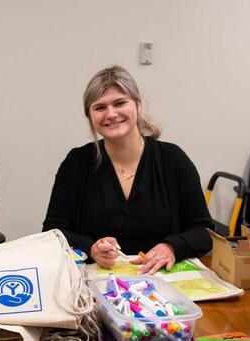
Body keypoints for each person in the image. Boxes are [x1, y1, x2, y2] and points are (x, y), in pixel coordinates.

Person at [42, 65, 212, 274]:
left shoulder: (173, 159)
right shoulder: (76, 163)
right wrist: (91, 248)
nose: (111, 114)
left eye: (120, 103)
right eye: (100, 107)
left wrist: (171, 247)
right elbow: (53, 233)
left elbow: (203, 233)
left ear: (138, 105)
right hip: (96, 284)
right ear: (90, 115)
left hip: (165, 283)